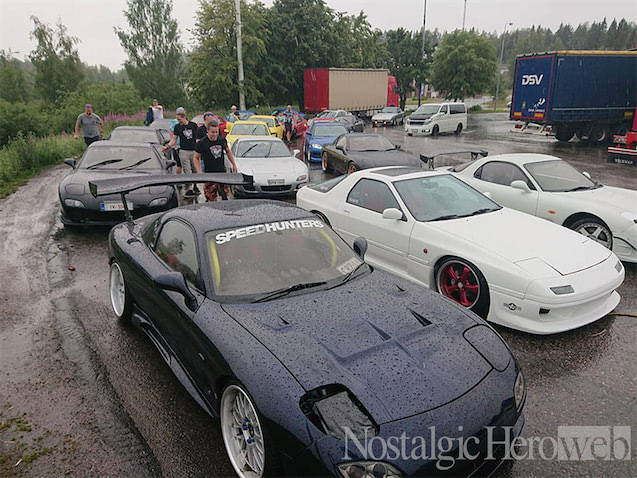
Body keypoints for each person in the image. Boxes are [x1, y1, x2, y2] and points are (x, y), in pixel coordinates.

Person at [194, 120, 238, 202]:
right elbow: (196, 158)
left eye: (216, 132)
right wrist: (199, 172)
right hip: (209, 174)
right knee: (210, 199)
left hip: (222, 173)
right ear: (207, 131)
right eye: (212, 132)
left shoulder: (222, 140)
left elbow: (228, 151)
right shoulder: (202, 143)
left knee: (225, 197)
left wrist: (234, 165)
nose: (214, 134)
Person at [163, 107, 199, 197]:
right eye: (178, 120)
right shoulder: (177, 127)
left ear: (184, 117)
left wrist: (199, 149)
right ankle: (190, 188)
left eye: (180, 120)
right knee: (187, 169)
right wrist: (168, 146)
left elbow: (197, 139)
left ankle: (195, 186)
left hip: (193, 150)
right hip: (183, 151)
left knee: (195, 169)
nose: (179, 122)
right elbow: (174, 139)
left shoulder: (193, 125)